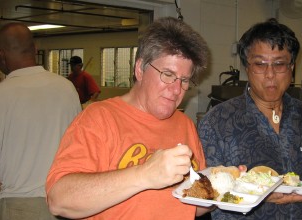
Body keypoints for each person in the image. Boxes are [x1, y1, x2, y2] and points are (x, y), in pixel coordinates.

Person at [46, 17, 210, 220]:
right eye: (167, 74)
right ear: (140, 69)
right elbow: (59, 200)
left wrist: (223, 187)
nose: (177, 90)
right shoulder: (98, 118)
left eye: (184, 80)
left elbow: (194, 207)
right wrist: (144, 175)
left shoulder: (185, 124)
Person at [197, 18, 302, 220]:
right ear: (247, 67)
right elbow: (205, 194)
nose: (270, 74)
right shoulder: (218, 121)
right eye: (260, 64)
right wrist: (260, 195)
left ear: (292, 67)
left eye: (279, 64)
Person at [0, 22, 82, 220]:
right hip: (64, 203)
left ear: (0, 55)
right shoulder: (67, 89)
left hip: (20, 206)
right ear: (35, 49)